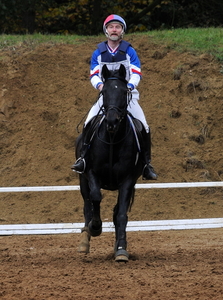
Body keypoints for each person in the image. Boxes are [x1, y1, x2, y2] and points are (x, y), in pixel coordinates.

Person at [71, 14, 157, 180]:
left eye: (118, 27)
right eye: (111, 27)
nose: (114, 29)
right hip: (106, 97)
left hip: (127, 97)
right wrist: (101, 86)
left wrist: (129, 87)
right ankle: (82, 158)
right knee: (88, 122)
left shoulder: (130, 51)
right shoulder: (98, 53)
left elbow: (136, 72)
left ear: (122, 30)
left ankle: (146, 164)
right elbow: (94, 74)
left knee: (144, 127)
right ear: (106, 30)